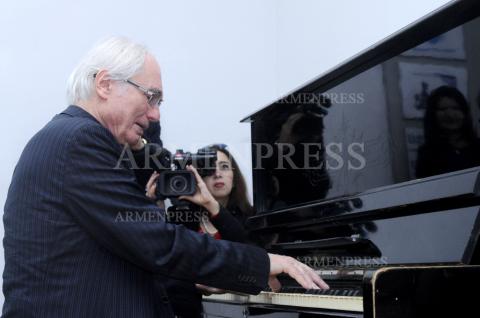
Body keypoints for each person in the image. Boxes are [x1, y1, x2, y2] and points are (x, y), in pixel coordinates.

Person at [2, 36, 328, 318]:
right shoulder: (80, 141)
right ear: (104, 84)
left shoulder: (75, 137)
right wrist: (261, 263)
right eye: (151, 96)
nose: (156, 113)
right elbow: (158, 244)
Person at [146, 144, 254, 317]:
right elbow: (161, 266)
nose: (217, 173)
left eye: (224, 167)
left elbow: (248, 253)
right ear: (197, 176)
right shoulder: (181, 218)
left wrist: (212, 205)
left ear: (235, 177)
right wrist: (151, 207)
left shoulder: (253, 217)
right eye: (209, 168)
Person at [416, 85, 480, 178]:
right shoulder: (427, 153)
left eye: (456, 108)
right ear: (433, 114)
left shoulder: (478, 146)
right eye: (442, 109)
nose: (450, 115)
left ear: (465, 112)